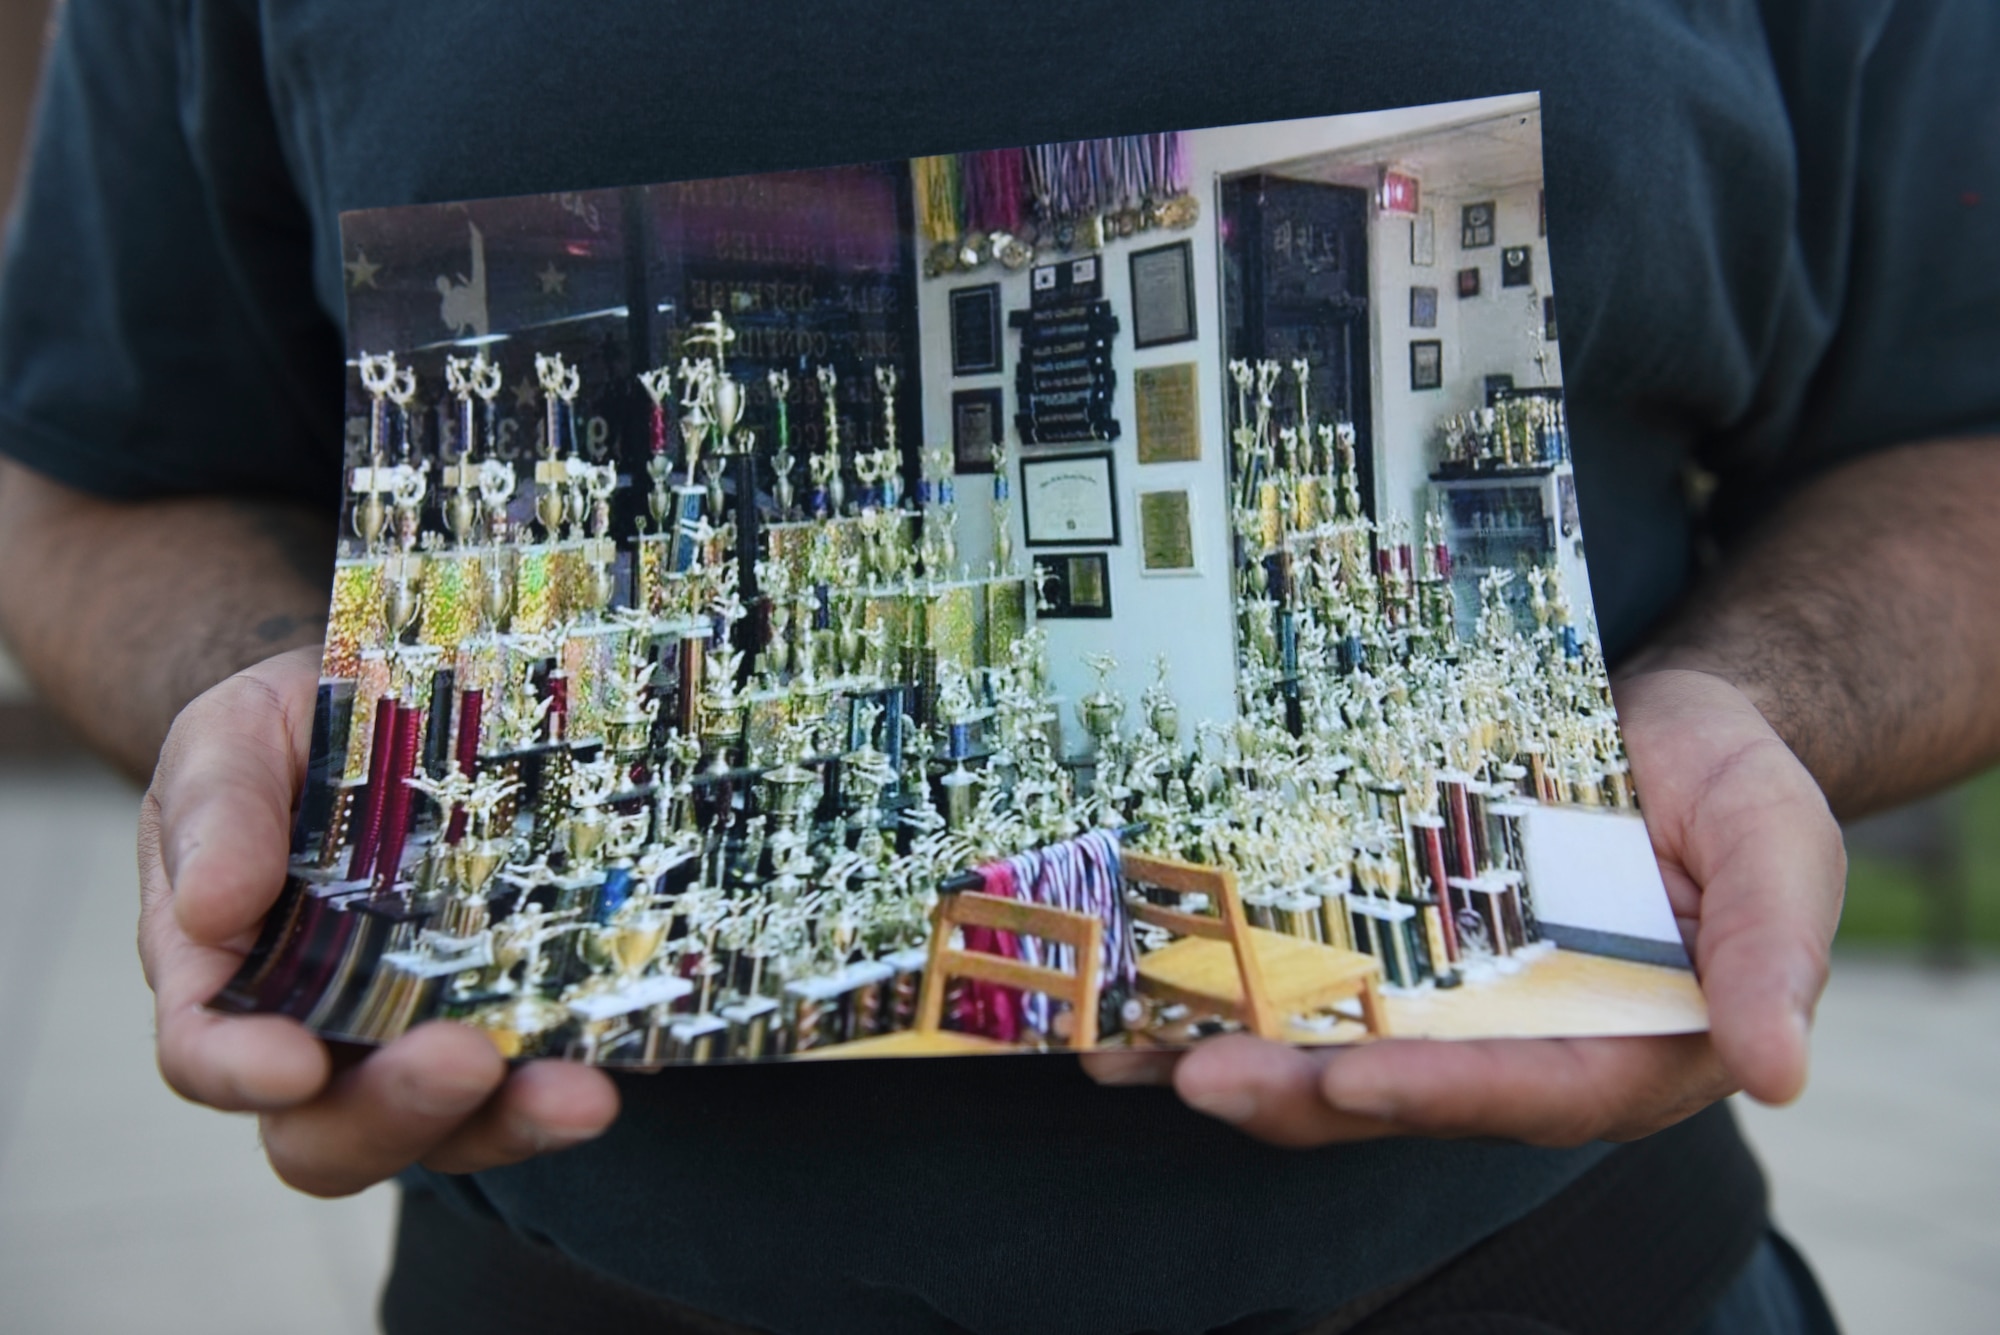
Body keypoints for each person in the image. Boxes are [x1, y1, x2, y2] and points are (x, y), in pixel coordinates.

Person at [1, 1, 1995, 1331]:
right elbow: (101, 465)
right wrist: (278, 717)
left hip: (1568, 1276)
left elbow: (1955, 431)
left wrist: (1754, 703)